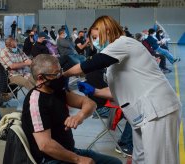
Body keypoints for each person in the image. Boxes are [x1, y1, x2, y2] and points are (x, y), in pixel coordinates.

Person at [64, 16, 181, 164]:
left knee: (159, 160)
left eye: (95, 37)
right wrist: (95, 91)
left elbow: (91, 64)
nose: (94, 42)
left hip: (157, 109)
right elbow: (117, 91)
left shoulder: (124, 43)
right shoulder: (114, 61)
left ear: (106, 31)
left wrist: (64, 74)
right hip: (141, 115)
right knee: (140, 159)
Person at [22, 54, 122, 164]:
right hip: (50, 159)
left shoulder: (57, 91)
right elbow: (45, 145)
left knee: (115, 162)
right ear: (41, 78)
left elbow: (90, 103)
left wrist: (80, 116)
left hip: (68, 151)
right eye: (56, 74)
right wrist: (78, 159)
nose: (61, 76)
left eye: (61, 71)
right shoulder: (35, 102)